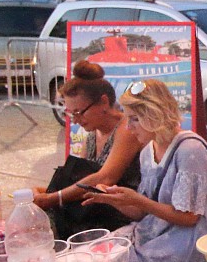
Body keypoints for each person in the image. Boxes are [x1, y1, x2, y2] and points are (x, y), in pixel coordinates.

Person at [84, 79, 207, 262]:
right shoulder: (147, 152)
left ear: (154, 115)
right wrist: (114, 200)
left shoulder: (190, 150)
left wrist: (137, 200)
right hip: (154, 232)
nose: (128, 128)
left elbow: (189, 218)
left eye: (135, 119)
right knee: (90, 257)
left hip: (186, 240)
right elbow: (142, 212)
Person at [32, 60, 144, 238]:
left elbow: (105, 178)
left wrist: (54, 197)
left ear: (104, 102)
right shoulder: (92, 133)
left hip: (123, 214)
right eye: (71, 114)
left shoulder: (127, 129)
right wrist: (47, 192)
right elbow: (80, 179)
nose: (75, 120)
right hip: (94, 209)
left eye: (79, 112)